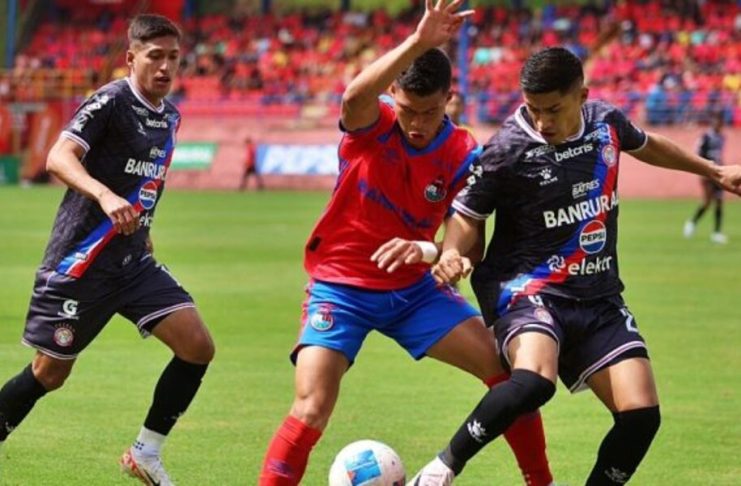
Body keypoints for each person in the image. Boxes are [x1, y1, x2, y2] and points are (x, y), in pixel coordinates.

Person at [410, 47, 741, 485]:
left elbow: (646, 144)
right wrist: (452, 251)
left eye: (554, 109)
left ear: (582, 95)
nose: (543, 121)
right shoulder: (506, 149)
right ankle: (441, 469)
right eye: (534, 109)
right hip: (528, 290)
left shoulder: (606, 122)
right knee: (534, 380)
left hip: (599, 296)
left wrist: (714, 171)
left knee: (641, 415)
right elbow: (468, 216)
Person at [258, 2, 554, 485]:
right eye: (409, 109)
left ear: (449, 100)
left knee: (507, 373)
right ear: (393, 93)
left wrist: (446, 253)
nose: (416, 123)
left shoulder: (461, 152)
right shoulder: (371, 128)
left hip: (415, 291)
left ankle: (542, 482)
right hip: (341, 287)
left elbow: (467, 233)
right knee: (311, 406)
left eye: (430, 111)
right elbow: (355, 96)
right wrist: (420, 42)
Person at [0, 14, 215, 486]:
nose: (164, 67)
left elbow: (148, 182)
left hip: (133, 262)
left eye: (173, 58)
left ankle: (146, 453)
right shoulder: (111, 100)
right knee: (49, 374)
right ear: (131, 57)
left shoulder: (170, 117)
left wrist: (146, 232)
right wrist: (103, 195)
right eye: (154, 56)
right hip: (82, 262)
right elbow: (58, 155)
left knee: (197, 346)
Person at [683, 114, 728, 243]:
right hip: (707, 173)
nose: (719, 125)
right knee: (707, 201)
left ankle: (717, 233)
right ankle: (692, 223)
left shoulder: (722, 137)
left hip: (719, 172)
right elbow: (698, 153)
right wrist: (702, 171)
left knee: (719, 201)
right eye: (716, 122)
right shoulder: (706, 137)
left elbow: (719, 155)